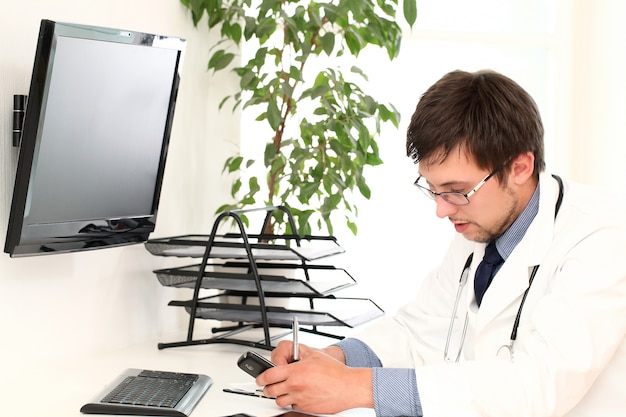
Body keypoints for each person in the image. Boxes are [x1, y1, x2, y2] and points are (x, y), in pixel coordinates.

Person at [256, 69, 626, 416]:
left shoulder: (602, 236)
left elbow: (538, 384)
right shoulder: (483, 222)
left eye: (456, 191)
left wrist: (355, 387)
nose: (441, 210)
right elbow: (420, 329)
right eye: (433, 191)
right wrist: (334, 358)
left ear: (520, 167)